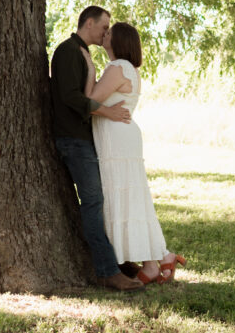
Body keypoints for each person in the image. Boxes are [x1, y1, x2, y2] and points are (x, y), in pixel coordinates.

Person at [83, 21, 186, 285]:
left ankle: (157, 259)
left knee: (125, 196)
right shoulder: (128, 69)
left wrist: (89, 69)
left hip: (117, 139)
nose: (105, 36)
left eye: (110, 33)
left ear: (120, 42)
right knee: (133, 198)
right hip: (120, 136)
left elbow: (91, 99)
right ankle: (156, 261)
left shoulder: (118, 68)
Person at [50, 6, 144, 291]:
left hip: (82, 139)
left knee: (99, 202)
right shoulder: (68, 51)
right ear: (88, 23)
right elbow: (70, 97)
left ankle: (119, 264)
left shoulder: (84, 53)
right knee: (93, 203)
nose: (106, 34)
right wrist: (107, 112)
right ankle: (107, 271)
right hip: (73, 139)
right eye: (104, 28)